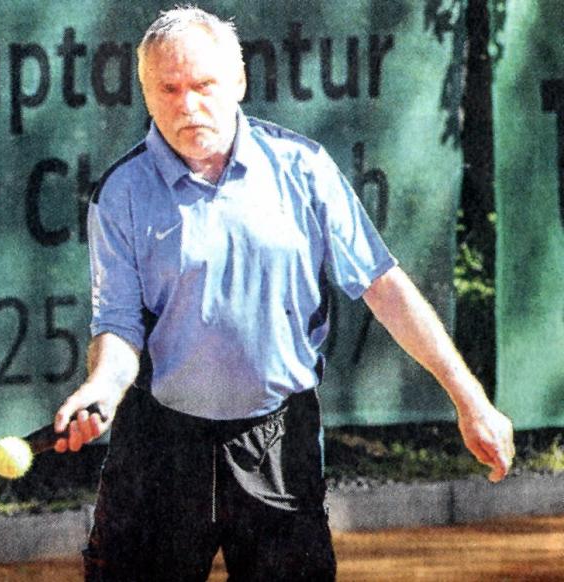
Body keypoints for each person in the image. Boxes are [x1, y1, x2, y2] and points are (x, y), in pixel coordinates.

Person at [52, 6, 515, 581]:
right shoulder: (121, 192)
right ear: (146, 94)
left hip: (278, 441)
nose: (187, 104)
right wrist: (101, 388)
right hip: (158, 445)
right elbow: (119, 327)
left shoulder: (305, 170)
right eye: (168, 89)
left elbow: (385, 288)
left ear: (239, 82)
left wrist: (470, 399)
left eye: (203, 85)